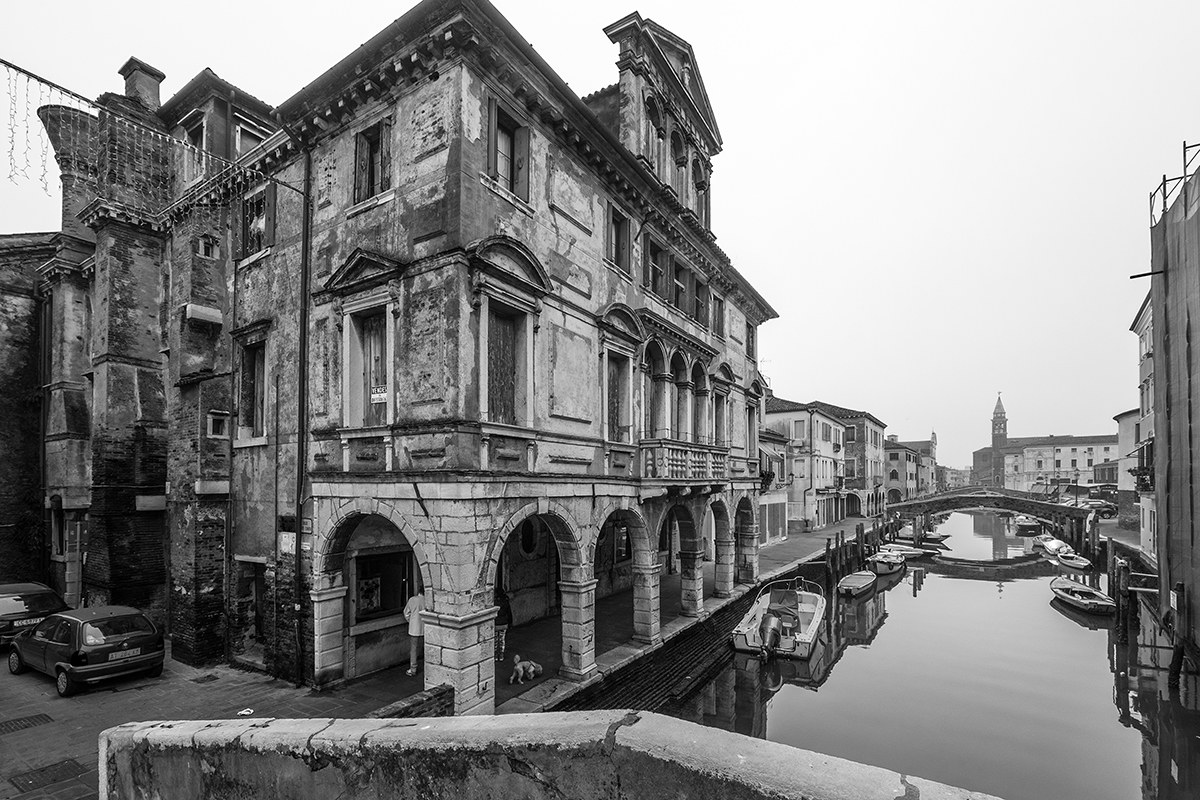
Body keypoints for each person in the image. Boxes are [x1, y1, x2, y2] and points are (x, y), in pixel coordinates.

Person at [403, 583, 425, 677]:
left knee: (414, 649)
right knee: (426, 648)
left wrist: (410, 621)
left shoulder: (413, 600)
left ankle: (413, 669)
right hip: (426, 627)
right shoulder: (427, 600)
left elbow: (406, 612)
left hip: (414, 628)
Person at [494, 587, 512, 662]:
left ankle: (495, 655)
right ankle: (501, 655)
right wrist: (510, 622)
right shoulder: (505, 601)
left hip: (496, 623)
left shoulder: (494, 602)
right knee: (502, 639)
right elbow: (509, 613)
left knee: (495, 640)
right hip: (504, 623)